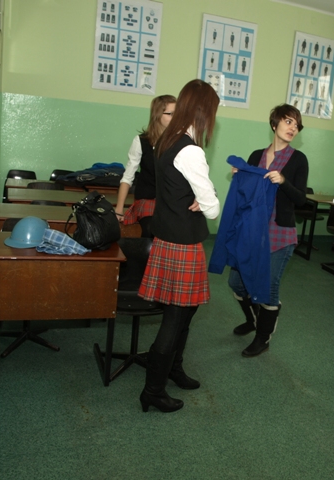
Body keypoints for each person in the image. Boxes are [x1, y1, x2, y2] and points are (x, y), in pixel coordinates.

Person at [137, 80, 220, 413]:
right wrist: (208, 199)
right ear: (203, 111)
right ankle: (153, 391)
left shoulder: (166, 141)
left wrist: (202, 196)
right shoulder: (191, 151)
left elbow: (182, 190)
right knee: (175, 318)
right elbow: (212, 208)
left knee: (187, 311)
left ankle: (173, 368)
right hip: (182, 243)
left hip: (169, 237)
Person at [226, 104, 308, 357]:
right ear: (274, 124)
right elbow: (247, 192)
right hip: (252, 230)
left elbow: (301, 199)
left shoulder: (298, 159)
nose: (293, 128)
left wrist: (283, 181)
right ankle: (253, 320)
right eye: (288, 121)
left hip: (280, 233)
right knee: (236, 282)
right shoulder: (256, 156)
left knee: (268, 287)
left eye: (297, 125)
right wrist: (240, 175)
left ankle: (263, 337)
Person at [114, 94, 176, 237]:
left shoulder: (181, 141)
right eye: (171, 114)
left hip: (171, 200)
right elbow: (128, 177)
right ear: (157, 115)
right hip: (148, 198)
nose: (176, 118)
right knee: (151, 229)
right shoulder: (141, 141)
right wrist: (119, 209)